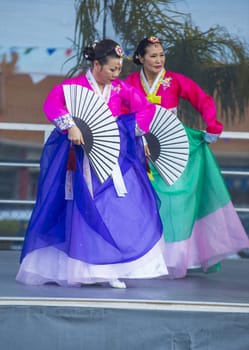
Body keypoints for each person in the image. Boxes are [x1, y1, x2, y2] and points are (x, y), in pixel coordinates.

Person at [16, 39, 169, 288]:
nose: (116, 74)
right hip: (77, 161)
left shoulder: (119, 89)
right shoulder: (73, 86)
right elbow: (51, 105)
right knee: (76, 210)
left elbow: (146, 108)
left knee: (112, 210)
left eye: (119, 69)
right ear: (96, 64)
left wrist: (133, 129)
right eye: (111, 69)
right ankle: (76, 269)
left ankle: (109, 268)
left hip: (110, 160)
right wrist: (71, 125)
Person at [125, 36, 249, 278]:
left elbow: (202, 99)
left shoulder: (175, 81)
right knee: (144, 201)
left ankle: (177, 258)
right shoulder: (130, 82)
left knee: (176, 201)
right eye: (153, 55)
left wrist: (211, 124)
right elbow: (120, 108)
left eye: (161, 55)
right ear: (140, 58)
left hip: (173, 146)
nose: (159, 60)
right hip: (140, 146)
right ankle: (146, 258)